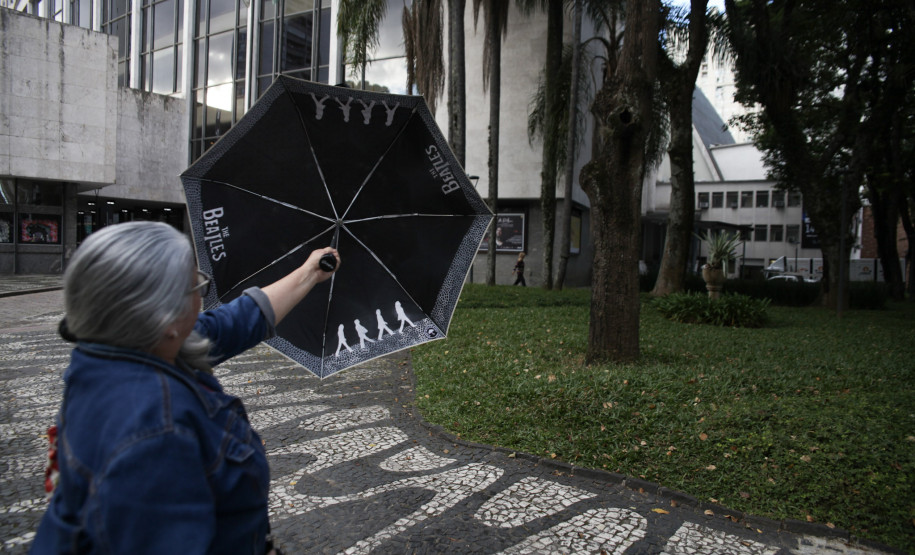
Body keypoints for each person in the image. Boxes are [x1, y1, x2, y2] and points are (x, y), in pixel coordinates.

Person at [31, 221, 339, 554]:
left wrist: (310, 272)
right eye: (198, 288)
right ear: (165, 318)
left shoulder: (122, 345)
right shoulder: (154, 435)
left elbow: (237, 321)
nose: (201, 300)